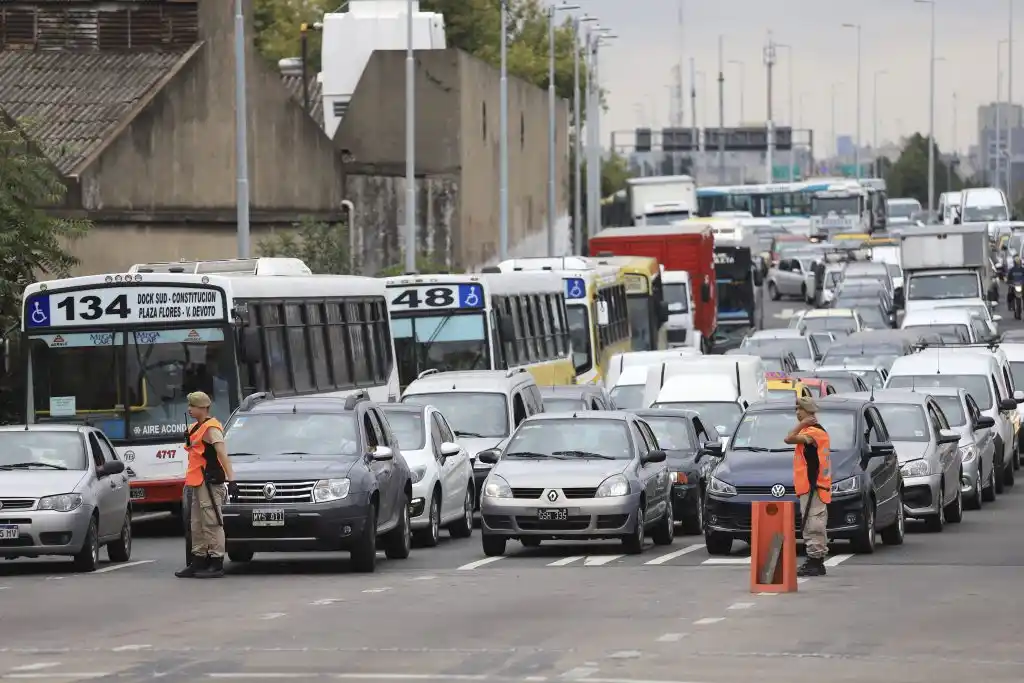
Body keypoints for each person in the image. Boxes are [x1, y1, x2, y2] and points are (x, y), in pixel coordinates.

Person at [175, 391, 235, 579]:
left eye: (192, 406)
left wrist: (231, 479)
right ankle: (198, 560)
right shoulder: (195, 428)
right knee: (196, 524)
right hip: (196, 481)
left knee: (212, 522)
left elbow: (222, 454)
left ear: (203, 408)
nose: (189, 409)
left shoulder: (211, 428)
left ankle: (216, 561)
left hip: (209, 481)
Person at [783, 396, 832, 577]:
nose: (797, 413)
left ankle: (816, 562)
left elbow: (788, 439)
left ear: (808, 413)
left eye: (800, 410)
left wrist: (801, 424)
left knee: (814, 524)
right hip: (810, 487)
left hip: (815, 487)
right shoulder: (811, 431)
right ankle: (814, 561)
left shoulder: (814, 433)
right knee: (810, 523)